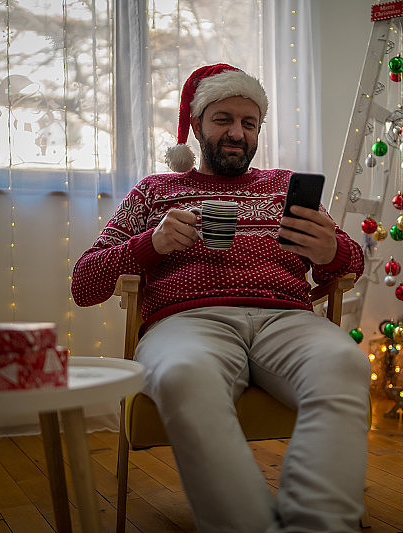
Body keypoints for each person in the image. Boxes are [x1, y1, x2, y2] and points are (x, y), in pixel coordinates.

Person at [71, 63, 370, 532]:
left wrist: (333, 250)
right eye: (223, 119)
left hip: (287, 320)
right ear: (196, 126)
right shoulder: (155, 192)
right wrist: (151, 243)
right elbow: (84, 283)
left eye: (249, 123)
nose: (237, 133)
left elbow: (351, 262)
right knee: (186, 373)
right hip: (188, 322)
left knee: (346, 363)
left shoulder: (282, 187)